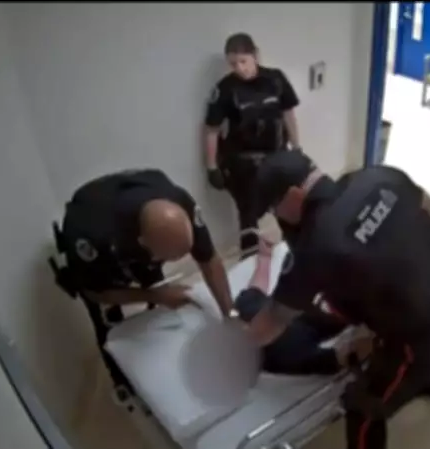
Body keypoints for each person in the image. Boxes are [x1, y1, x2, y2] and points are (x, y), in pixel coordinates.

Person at [245, 151, 430, 449]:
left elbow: (272, 322)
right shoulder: (379, 175)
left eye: (274, 209)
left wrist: (236, 347)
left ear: (294, 195)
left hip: (418, 341)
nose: (277, 217)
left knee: (363, 408)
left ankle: (425, 378)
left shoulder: (315, 249)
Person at [53, 168, 234, 316]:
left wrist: (230, 312)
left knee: (161, 289)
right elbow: (95, 293)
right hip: (95, 223)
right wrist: (154, 296)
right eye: (168, 257)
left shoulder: (182, 203)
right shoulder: (94, 237)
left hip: (129, 202)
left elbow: (209, 259)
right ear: (143, 243)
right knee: (112, 309)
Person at [203, 32, 301, 255]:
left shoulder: (276, 80)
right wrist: (211, 167)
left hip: (276, 156)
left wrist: (297, 148)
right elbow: (211, 129)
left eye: (243, 61)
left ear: (255, 55)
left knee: (287, 206)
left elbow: (289, 115)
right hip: (242, 163)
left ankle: (296, 251)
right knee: (248, 216)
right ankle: (249, 261)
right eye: (233, 64)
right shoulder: (225, 89)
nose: (239, 68)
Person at [236, 237, 371, 376]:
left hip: (309, 289)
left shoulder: (246, 311)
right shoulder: (285, 358)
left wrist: (265, 258)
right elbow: (344, 355)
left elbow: (257, 288)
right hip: (326, 310)